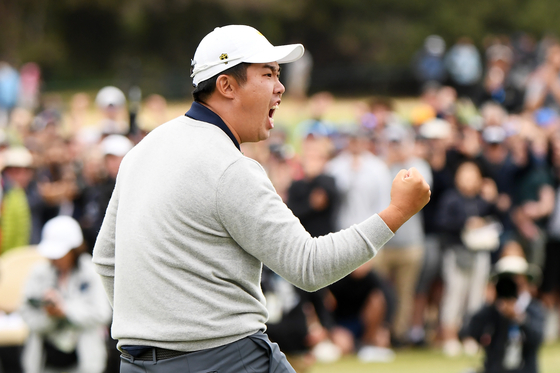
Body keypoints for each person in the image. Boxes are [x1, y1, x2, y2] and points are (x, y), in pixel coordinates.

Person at [92, 24, 431, 373]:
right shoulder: (229, 167)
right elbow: (309, 266)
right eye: (267, 74)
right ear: (226, 85)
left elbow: (105, 259)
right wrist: (397, 211)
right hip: (226, 359)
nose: (281, 86)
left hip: (137, 363)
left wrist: (157, 335)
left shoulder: (143, 151)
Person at [20, 216, 112, 373]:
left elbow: (102, 313)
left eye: (60, 253)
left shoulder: (90, 271)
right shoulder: (38, 273)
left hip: (84, 363)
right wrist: (49, 315)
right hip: (44, 363)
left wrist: (65, 310)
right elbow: (25, 312)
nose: (54, 258)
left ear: (74, 249)